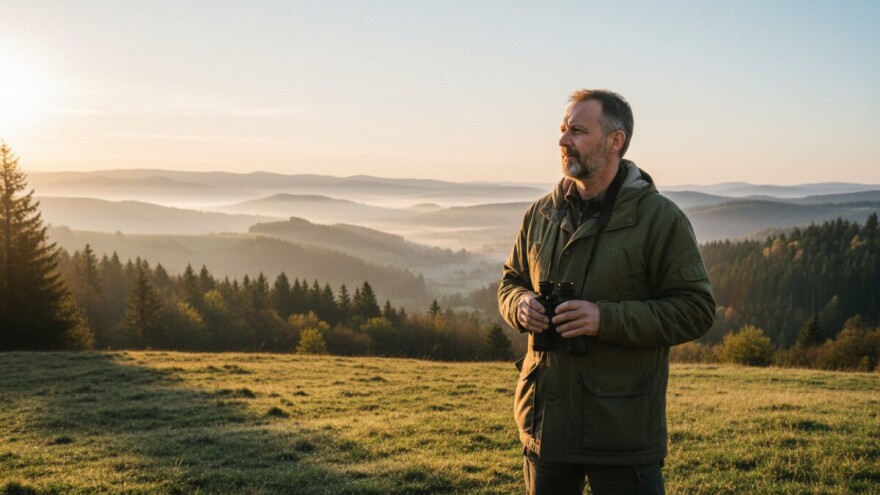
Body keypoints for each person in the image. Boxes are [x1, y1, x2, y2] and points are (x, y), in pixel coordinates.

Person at [497, 89, 715, 495]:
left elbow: (696, 309)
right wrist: (520, 306)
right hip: (546, 424)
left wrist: (605, 319)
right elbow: (511, 280)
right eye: (563, 130)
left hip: (621, 430)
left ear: (615, 141)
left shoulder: (660, 219)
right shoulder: (541, 212)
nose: (563, 141)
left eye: (577, 131)